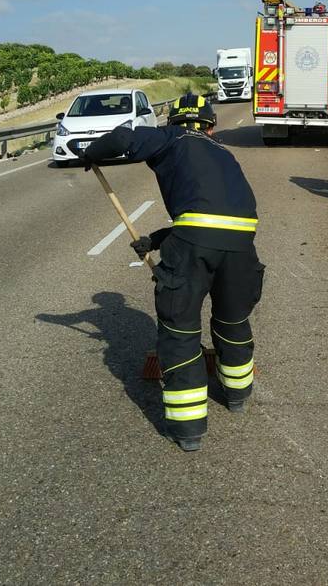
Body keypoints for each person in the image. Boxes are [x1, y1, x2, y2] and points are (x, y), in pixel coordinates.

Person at [79, 93, 264, 453]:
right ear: (210, 125)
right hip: (242, 247)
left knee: (180, 333)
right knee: (232, 321)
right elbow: (213, 216)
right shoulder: (225, 153)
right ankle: (238, 394)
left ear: (174, 121)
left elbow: (122, 139)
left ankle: (189, 429)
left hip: (196, 243)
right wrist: (158, 240)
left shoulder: (171, 137)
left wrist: (91, 153)